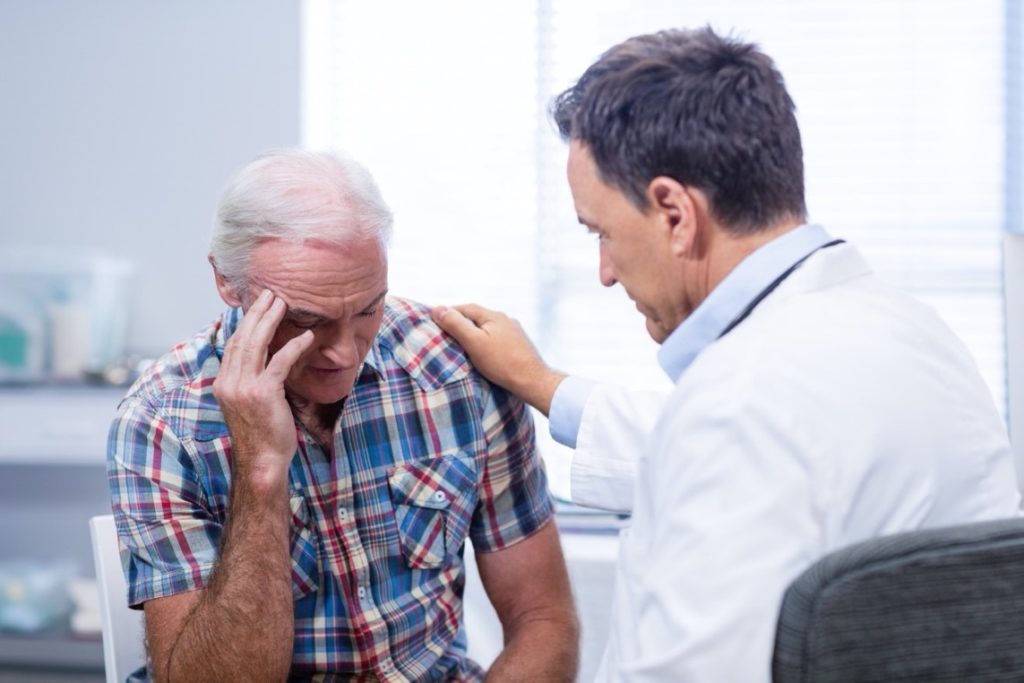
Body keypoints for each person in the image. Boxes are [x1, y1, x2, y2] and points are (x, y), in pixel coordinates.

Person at [432, 27, 1022, 681]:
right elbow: (739, 450)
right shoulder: (910, 333)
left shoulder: (740, 404)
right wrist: (541, 383)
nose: (603, 270)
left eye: (602, 232)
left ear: (675, 213)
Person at [107, 149, 578, 682]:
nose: (345, 354)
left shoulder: (457, 373)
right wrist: (261, 472)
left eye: (368, 310)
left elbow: (544, 619)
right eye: (307, 319)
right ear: (226, 282)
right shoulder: (163, 423)